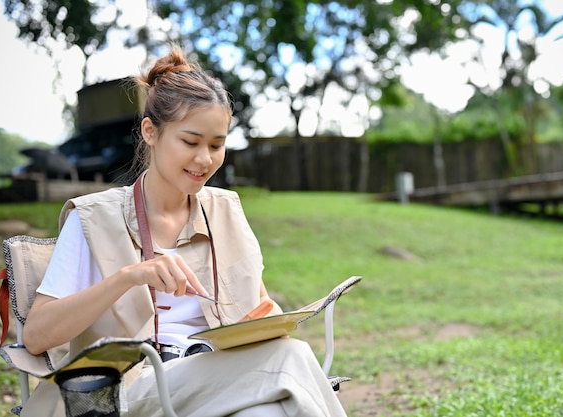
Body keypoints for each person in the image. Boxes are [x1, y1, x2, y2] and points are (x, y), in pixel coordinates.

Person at [19, 46, 348, 417]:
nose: (204, 159)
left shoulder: (226, 210)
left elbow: (259, 309)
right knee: (293, 357)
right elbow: (36, 337)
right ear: (150, 132)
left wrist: (271, 321)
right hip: (127, 389)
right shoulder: (93, 218)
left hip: (216, 379)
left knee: (266, 411)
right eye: (190, 142)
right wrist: (130, 276)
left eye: (217, 145)